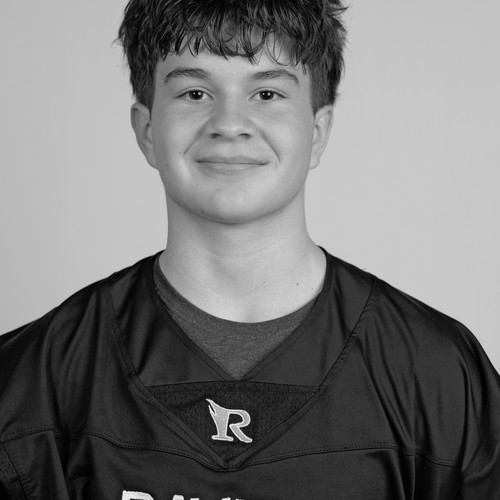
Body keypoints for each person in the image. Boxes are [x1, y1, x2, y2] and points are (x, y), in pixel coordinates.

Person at [0, 0, 499, 498]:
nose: (230, 123)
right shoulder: (32, 382)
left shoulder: (438, 374)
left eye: (266, 93)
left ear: (318, 131)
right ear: (146, 130)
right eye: (195, 92)